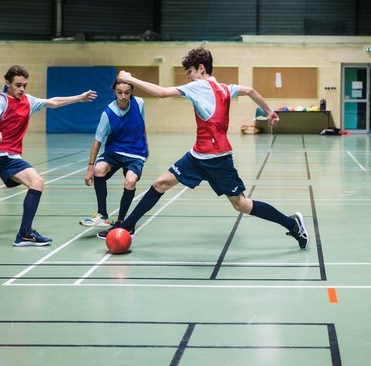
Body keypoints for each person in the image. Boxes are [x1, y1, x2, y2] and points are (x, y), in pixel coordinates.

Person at [98, 47, 309, 249]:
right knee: (161, 183)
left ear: (201, 68)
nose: (188, 77)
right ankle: (129, 225)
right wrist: (269, 110)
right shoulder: (226, 88)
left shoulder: (199, 86)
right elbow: (250, 90)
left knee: (242, 204)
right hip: (197, 156)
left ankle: (292, 224)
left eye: (190, 72)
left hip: (217, 160)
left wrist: (129, 79)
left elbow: (162, 93)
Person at [0, 65, 97, 247]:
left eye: (24, 85)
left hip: (10, 158)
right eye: (18, 85)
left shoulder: (28, 101)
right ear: (7, 83)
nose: (21, 89)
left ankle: (25, 234)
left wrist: (79, 98)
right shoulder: (1, 99)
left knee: (36, 181)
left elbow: (53, 102)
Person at [79, 80, 148, 228]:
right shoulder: (108, 113)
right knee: (99, 169)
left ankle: (121, 221)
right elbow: (97, 141)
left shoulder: (140, 103)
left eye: (127, 93)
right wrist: (90, 167)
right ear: (114, 92)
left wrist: (145, 147)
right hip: (114, 151)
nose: (123, 96)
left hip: (136, 153)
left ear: (131, 92)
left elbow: (142, 126)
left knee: (130, 181)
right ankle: (102, 215)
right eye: (119, 92)